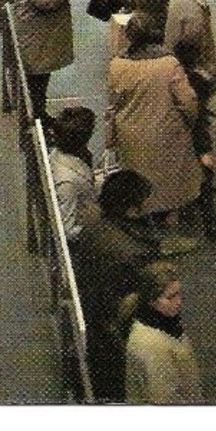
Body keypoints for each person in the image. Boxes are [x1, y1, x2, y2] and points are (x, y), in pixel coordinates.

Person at [108, 11, 202, 239]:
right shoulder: (169, 64)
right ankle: (170, 221)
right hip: (166, 133)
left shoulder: (117, 65)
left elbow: (113, 104)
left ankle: (140, 215)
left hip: (130, 133)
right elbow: (188, 101)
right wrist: (188, 122)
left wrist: (111, 136)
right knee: (170, 181)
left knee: (137, 176)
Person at [74, 169, 157, 403]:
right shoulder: (132, 253)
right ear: (132, 208)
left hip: (97, 318)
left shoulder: (93, 228)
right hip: (117, 331)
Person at [164, 0, 216, 241]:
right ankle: (208, 217)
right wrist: (206, 76)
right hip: (195, 79)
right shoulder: (195, 12)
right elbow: (193, 46)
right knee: (201, 151)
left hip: (187, 74)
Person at [124, 261, 205, 405]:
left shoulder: (165, 322)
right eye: (170, 297)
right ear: (151, 300)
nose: (178, 301)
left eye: (178, 293)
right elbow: (164, 400)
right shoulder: (151, 346)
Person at [48, 105, 99, 243]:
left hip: (85, 205)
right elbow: (67, 231)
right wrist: (99, 222)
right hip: (87, 231)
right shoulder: (68, 183)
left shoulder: (56, 154)